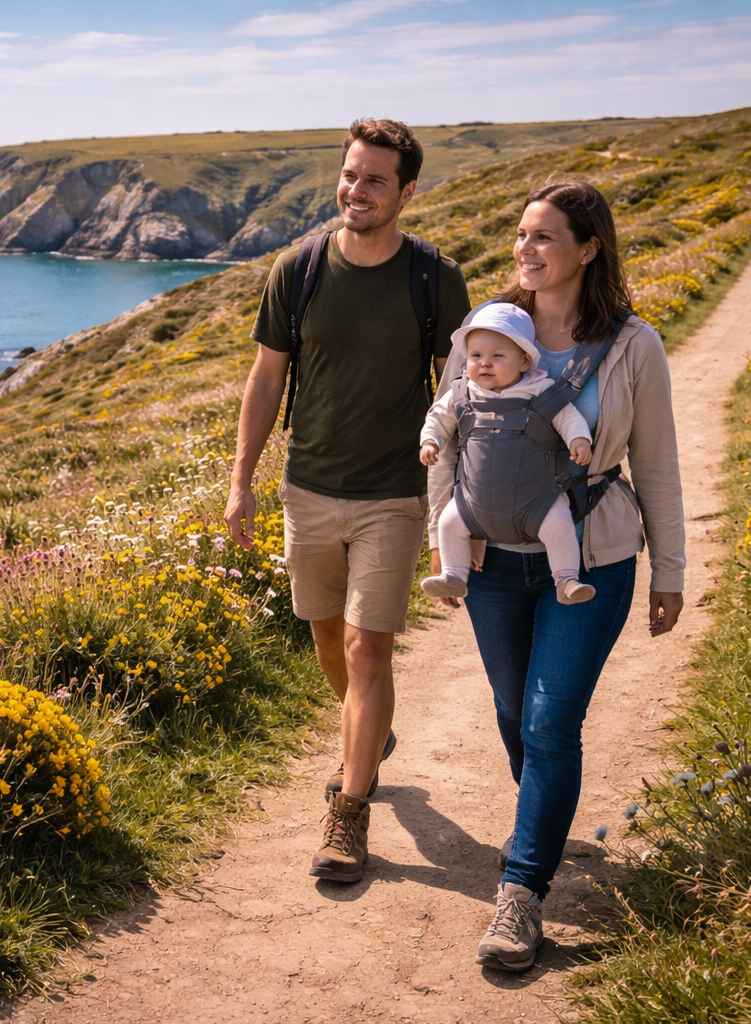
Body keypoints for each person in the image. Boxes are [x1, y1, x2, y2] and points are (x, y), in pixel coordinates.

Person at [426, 180, 685, 972]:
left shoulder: (633, 344)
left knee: (548, 722)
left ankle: (521, 893)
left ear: (588, 248)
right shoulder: (486, 331)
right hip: (496, 563)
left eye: (544, 236)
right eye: (521, 234)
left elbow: (658, 465)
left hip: (594, 560)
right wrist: (444, 549)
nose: (525, 250)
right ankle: (545, 811)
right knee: (513, 713)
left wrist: (668, 570)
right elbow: (445, 435)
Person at [224, 118, 469, 883]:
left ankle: (349, 812)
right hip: (308, 489)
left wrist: (459, 503)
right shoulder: (297, 269)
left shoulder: (434, 277)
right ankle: (372, 732)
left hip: (394, 495)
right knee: (327, 639)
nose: (356, 191)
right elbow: (267, 378)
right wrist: (241, 483)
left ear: (406, 192)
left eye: (375, 180)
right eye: (350, 174)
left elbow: (463, 391)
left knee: (368, 649)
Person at [418, 303, 595, 605]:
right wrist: (431, 441)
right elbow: (437, 418)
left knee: (559, 523)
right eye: (475, 356)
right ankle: (454, 575)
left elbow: (567, 416)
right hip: (474, 502)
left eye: (497, 356)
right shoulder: (463, 393)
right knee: (450, 523)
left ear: (525, 361)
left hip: (537, 499)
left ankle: (566, 579)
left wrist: (579, 439)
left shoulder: (540, 391)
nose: (484, 364)